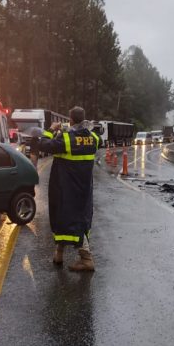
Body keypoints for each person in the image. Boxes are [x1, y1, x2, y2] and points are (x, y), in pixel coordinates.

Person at [39, 106, 101, 271]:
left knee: (67, 220)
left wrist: (50, 130)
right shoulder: (93, 138)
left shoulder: (66, 139)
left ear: (71, 120)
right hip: (84, 189)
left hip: (65, 188)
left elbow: (43, 144)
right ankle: (58, 254)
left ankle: (86, 259)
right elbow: (95, 138)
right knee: (76, 219)